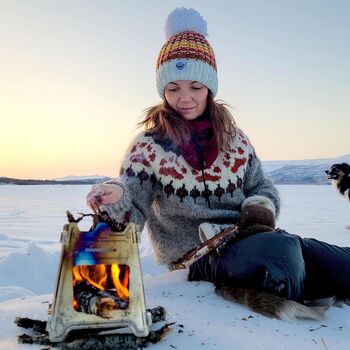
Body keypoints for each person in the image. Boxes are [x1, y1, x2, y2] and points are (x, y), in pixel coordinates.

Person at [87, 8, 350, 318]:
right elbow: (134, 203)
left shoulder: (236, 139)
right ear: (162, 91)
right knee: (282, 255)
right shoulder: (148, 146)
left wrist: (258, 210)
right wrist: (115, 198)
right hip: (199, 258)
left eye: (195, 88)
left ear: (209, 87)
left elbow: (262, 186)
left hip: (251, 238)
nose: (184, 98)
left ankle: (311, 279)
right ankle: (299, 283)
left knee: (331, 259)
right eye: (173, 89)